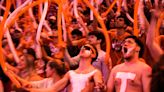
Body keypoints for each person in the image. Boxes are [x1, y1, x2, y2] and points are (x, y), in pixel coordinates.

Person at [28, 44, 105, 92]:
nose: (84, 49)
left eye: (88, 48)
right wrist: (30, 90)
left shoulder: (95, 72)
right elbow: (53, 89)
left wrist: (102, 88)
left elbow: (100, 85)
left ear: (93, 55)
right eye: (83, 47)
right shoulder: (70, 73)